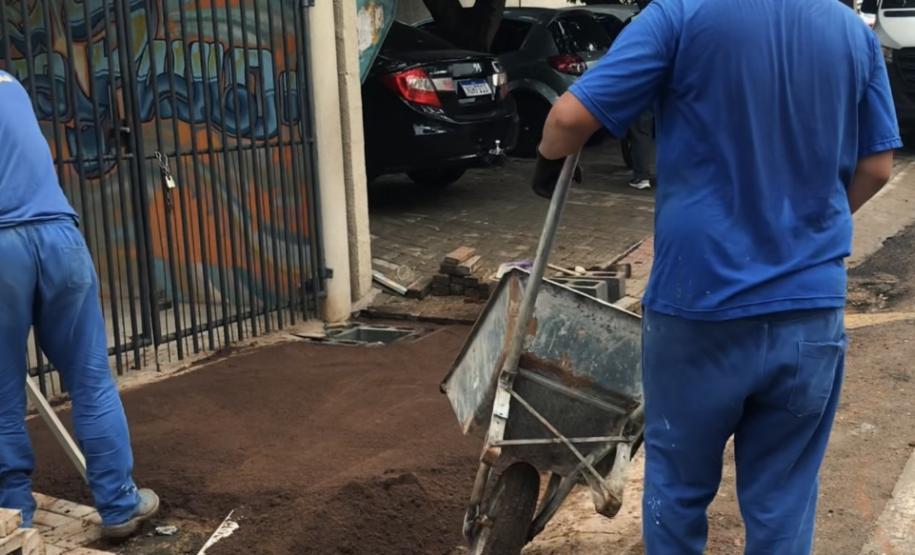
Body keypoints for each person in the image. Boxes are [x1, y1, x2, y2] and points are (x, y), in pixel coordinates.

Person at [531, 0, 899, 553]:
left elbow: (567, 121)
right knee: (783, 502)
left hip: (699, 306)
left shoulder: (680, 14)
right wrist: (807, 231)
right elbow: (877, 167)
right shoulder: (852, 31)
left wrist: (544, 157)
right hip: (809, 309)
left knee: (678, 491)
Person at [0, 70, 159, 537]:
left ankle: (13, 516)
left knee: (2, 396)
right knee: (91, 380)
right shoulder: (10, 83)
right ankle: (119, 504)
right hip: (60, 236)